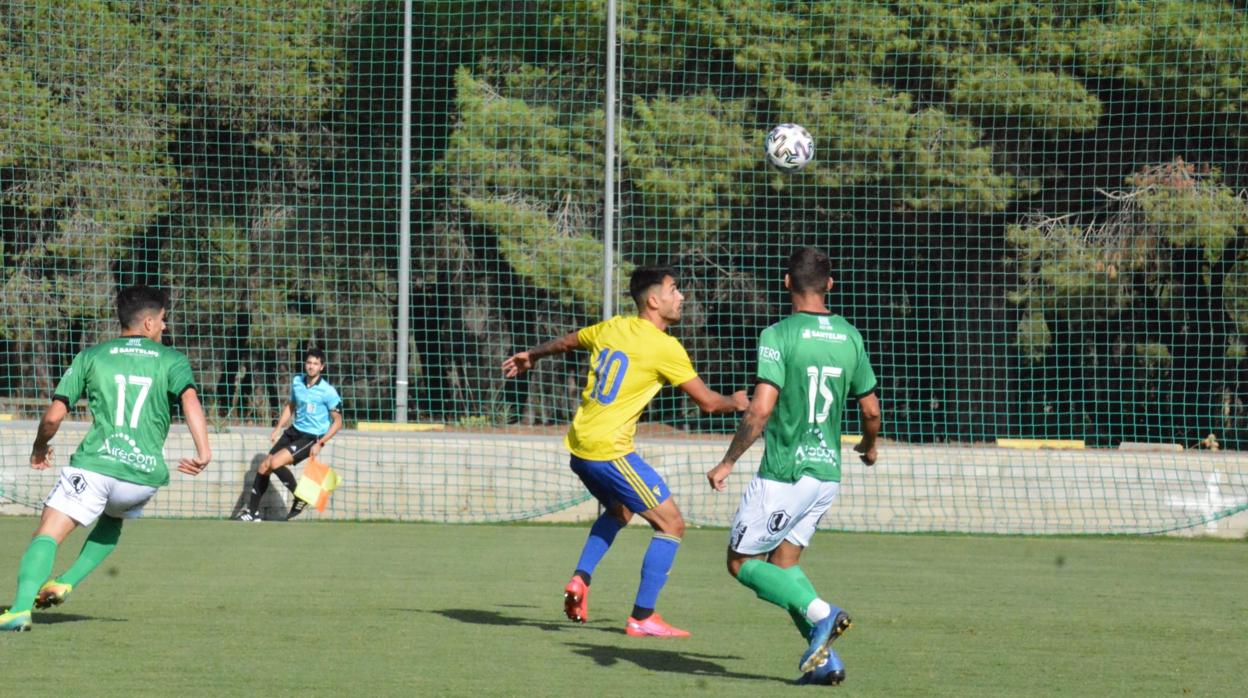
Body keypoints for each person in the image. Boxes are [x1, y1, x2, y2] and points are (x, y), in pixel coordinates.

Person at [503, 266, 748, 637]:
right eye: (674, 290)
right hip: (609, 452)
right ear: (653, 301)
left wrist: (532, 355)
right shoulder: (665, 347)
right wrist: (738, 401)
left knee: (620, 510)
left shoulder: (612, 327)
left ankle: (580, 580)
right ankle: (643, 616)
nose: (680, 297)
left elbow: (568, 341)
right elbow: (709, 404)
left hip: (580, 447)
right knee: (672, 524)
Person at [706, 247, 881, 684]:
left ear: (787, 283)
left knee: (741, 562)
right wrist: (869, 446)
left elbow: (760, 410)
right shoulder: (850, 336)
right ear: (830, 285)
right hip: (826, 477)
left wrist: (727, 462)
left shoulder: (778, 335)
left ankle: (824, 613)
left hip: (785, 472)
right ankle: (826, 664)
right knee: (784, 564)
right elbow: (872, 411)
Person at [1, 285, 212, 632]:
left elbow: (53, 417)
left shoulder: (92, 356)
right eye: (162, 320)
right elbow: (190, 401)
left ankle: (21, 609)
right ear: (147, 324)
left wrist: (40, 447)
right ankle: (66, 581)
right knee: (112, 520)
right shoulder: (173, 360)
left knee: (48, 534)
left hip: (96, 466)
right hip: (142, 479)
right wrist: (204, 452)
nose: (165, 326)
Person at [237, 348, 342, 521]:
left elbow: (338, 422)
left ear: (321, 367)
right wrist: (278, 427)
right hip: (293, 431)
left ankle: (300, 497)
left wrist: (320, 443)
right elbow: (291, 405)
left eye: (316, 363)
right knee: (264, 466)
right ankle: (252, 513)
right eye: (309, 362)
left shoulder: (328, 391)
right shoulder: (297, 382)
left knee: (275, 462)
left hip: (310, 437)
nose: (311, 366)